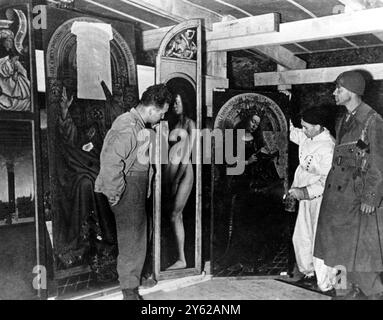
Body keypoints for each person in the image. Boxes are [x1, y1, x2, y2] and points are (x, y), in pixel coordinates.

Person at [95, 84, 172, 300]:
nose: (162, 117)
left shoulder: (138, 125)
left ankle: (136, 276)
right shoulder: (128, 127)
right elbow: (110, 163)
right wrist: (116, 193)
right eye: (162, 113)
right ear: (151, 110)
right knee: (132, 239)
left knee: (141, 232)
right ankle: (129, 291)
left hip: (134, 189)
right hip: (126, 188)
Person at [314, 70, 383, 300]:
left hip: (357, 201)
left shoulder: (373, 121)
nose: (335, 93)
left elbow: (378, 164)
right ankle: (343, 293)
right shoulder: (343, 119)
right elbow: (356, 151)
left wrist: (370, 197)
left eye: (339, 89)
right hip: (337, 200)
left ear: (352, 92)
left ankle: (373, 294)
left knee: (362, 262)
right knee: (338, 254)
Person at [289, 106, 337, 294]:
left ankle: (328, 284)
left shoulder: (329, 146)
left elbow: (327, 181)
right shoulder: (309, 135)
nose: (303, 130)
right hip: (304, 194)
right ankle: (308, 273)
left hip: (322, 198)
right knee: (302, 234)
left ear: (319, 126)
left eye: (307, 127)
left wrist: (305, 192)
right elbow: (295, 134)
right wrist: (283, 104)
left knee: (321, 239)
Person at [164, 93, 196, 270]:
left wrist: (176, 180)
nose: (175, 105)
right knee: (174, 215)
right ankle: (179, 258)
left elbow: (186, 155)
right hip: (172, 172)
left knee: (175, 215)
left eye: (178, 101)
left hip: (184, 173)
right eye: (173, 102)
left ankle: (182, 259)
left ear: (186, 102)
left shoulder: (191, 124)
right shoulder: (174, 123)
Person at [0, 29, 30, 111]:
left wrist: (16, 70)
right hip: (4, 80)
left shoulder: (10, 52)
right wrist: (12, 62)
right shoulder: (1, 53)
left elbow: (17, 66)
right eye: (9, 40)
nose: (11, 43)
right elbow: (3, 70)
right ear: (3, 41)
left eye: (12, 41)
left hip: (14, 77)